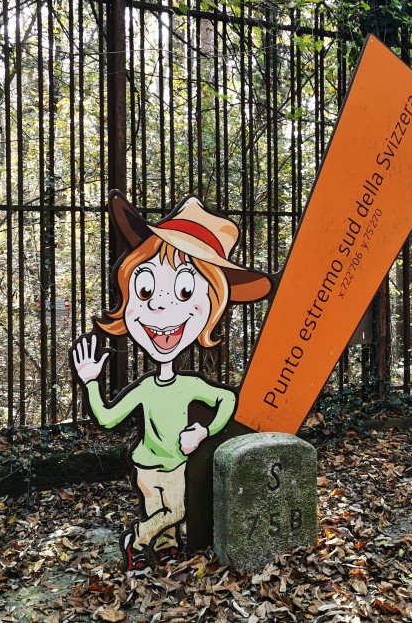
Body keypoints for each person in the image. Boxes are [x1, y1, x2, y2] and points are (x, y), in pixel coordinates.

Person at [71, 192, 271, 571]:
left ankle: (158, 547)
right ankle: (140, 542)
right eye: (146, 290)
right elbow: (109, 417)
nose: (160, 305)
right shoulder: (145, 389)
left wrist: (203, 430)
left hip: (177, 464)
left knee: (172, 512)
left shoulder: (190, 386)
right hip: (147, 467)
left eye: (184, 290)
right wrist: (91, 381)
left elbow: (227, 401)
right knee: (168, 513)